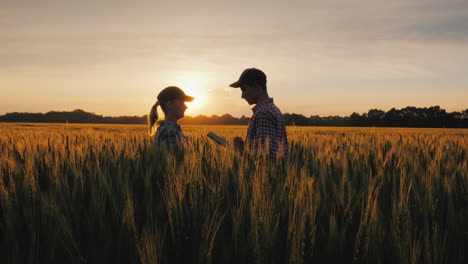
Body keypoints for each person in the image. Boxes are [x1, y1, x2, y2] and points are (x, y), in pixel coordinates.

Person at [230, 68, 289, 157]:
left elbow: (265, 158)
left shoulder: (263, 114)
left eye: (244, 89)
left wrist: (240, 150)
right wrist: (246, 146)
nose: (242, 96)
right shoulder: (273, 109)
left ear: (256, 87)